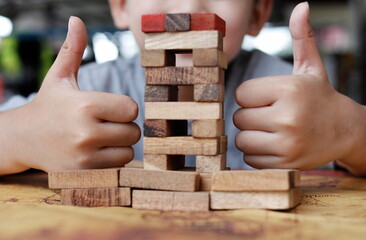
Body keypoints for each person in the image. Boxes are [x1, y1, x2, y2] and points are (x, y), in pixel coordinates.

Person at [0, 0, 365, 176]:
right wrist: (27, 134)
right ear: (121, 7)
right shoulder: (86, 91)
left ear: (257, 13)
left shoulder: (296, 96)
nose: (189, 7)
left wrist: (348, 131)